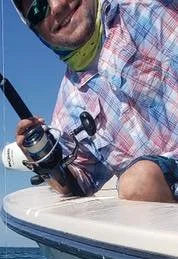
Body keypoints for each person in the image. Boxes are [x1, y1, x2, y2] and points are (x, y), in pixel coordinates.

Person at [11, 0, 178, 201]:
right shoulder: (68, 106)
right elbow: (78, 181)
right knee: (137, 183)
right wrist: (45, 163)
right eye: (38, 10)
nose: (57, 7)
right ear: (35, 30)